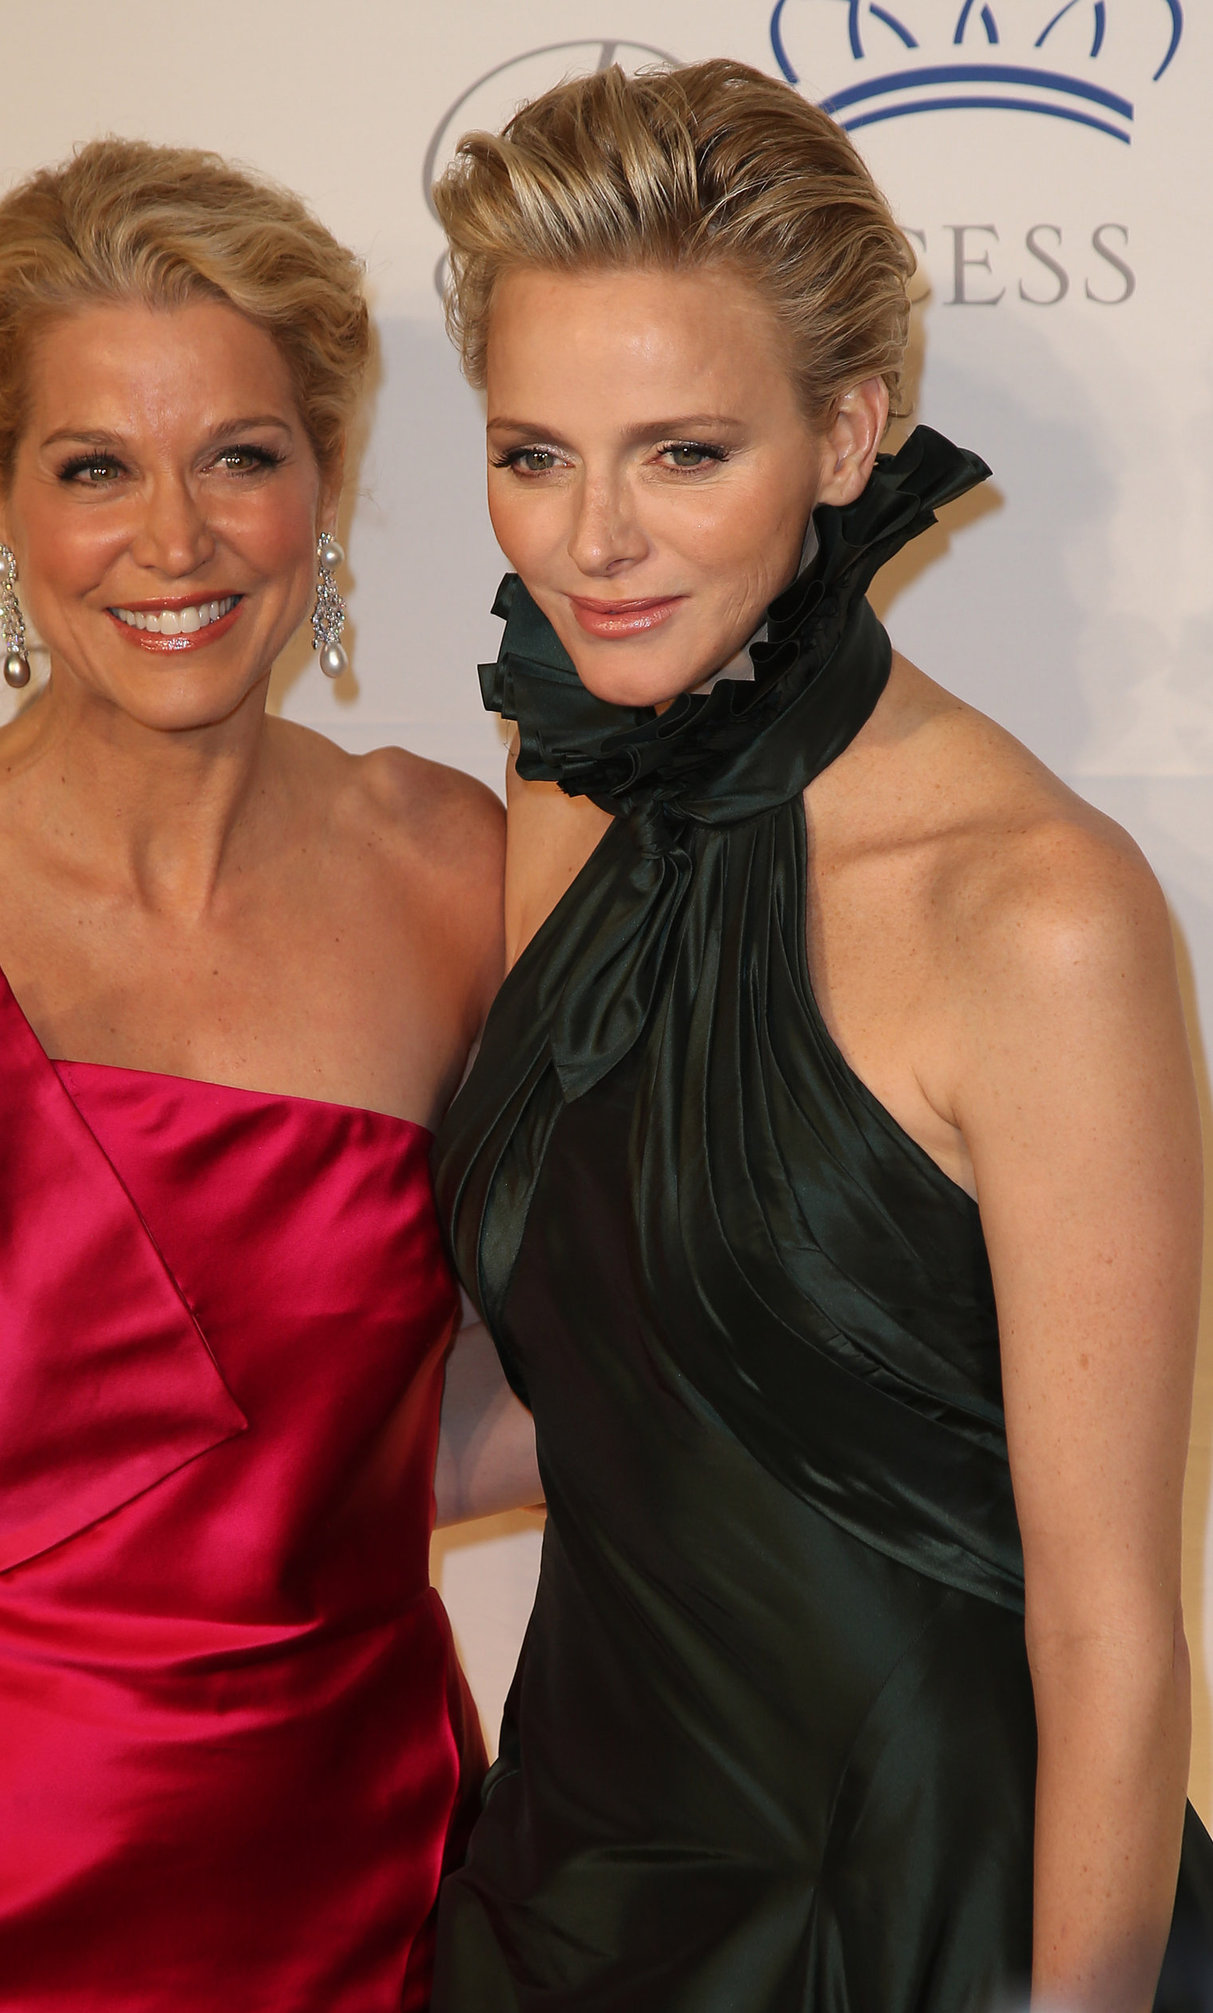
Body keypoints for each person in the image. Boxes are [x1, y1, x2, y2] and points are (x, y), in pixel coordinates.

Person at [0, 138, 504, 2012]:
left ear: (326, 476)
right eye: (93, 468)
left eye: (239, 455)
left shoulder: (456, 874)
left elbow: (482, 1400)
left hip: (358, 1884)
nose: (173, 540)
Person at [427, 58, 1213, 2013]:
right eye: (533, 453)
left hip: (927, 1904)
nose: (591, 539)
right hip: (577, 1879)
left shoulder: (1035, 912)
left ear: (845, 433)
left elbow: (1113, 1632)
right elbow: (601, 1377)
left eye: (681, 452)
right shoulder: (563, 784)